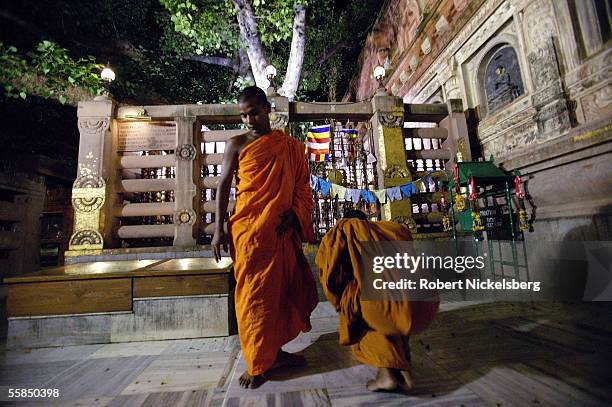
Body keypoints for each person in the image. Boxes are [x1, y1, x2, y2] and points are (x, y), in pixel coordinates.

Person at [212, 86, 318, 389]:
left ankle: (276, 352)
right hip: (249, 233)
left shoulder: (289, 146)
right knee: (253, 296)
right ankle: (257, 363)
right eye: (244, 115)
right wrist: (219, 229)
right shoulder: (237, 144)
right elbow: (222, 187)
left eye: (254, 113)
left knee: (281, 294)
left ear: (268, 110)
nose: (249, 120)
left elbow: (302, 185)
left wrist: (295, 214)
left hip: (280, 231)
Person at [316, 210, 439, 393]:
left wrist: (341, 301)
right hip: (422, 299)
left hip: (382, 300)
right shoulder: (391, 229)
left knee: (356, 308)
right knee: (390, 308)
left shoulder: (346, 229)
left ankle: (386, 376)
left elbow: (331, 277)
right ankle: (404, 371)